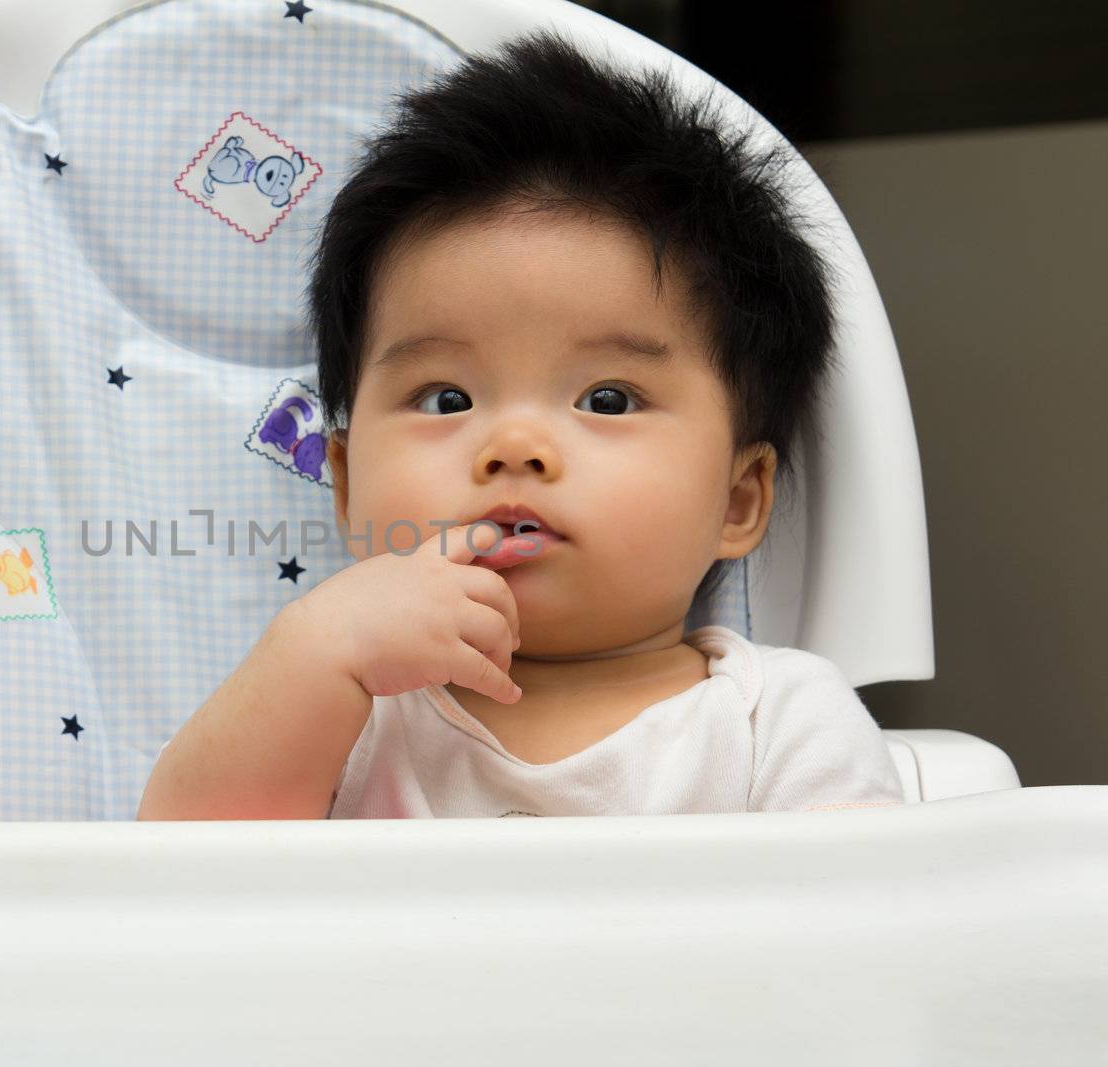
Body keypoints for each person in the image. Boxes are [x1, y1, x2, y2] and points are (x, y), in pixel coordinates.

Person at [138, 29, 904, 820]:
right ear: (345, 483)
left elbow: (861, 925)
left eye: (607, 399)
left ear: (738, 500)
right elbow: (166, 889)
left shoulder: (776, 722)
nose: (514, 448)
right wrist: (310, 652)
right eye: (446, 399)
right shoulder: (339, 714)